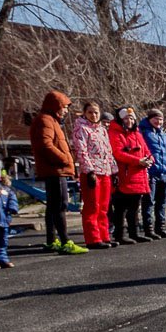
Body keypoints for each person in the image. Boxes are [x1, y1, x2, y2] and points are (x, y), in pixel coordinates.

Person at [29, 91, 88, 254]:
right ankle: (65, 241)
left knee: (53, 206)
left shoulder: (50, 120)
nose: (66, 111)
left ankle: (51, 239)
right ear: (56, 106)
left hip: (55, 169)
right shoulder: (45, 120)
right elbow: (45, 145)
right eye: (64, 107)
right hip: (55, 170)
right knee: (60, 205)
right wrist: (64, 159)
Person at [71, 102, 118, 249]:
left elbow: (108, 151)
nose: (94, 115)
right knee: (92, 206)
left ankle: (104, 235)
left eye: (96, 112)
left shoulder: (102, 130)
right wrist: (89, 170)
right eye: (90, 112)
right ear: (85, 113)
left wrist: (114, 170)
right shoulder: (81, 128)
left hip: (105, 172)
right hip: (91, 172)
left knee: (104, 207)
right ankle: (93, 238)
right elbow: (81, 151)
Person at [108, 107, 154, 244]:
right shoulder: (115, 133)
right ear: (121, 119)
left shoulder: (137, 134)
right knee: (121, 206)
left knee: (135, 206)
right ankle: (119, 235)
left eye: (132, 118)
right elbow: (117, 153)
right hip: (124, 175)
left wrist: (150, 159)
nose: (129, 121)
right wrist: (137, 161)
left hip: (138, 174)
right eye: (126, 118)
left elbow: (146, 150)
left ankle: (134, 233)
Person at [139, 109, 166, 239]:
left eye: (161, 119)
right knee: (149, 202)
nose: (158, 121)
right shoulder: (143, 133)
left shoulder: (164, 135)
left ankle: (160, 227)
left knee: (162, 202)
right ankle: (148, 229)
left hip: (164, 173)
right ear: (149, 119)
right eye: (156, 118)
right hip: (151, 172)